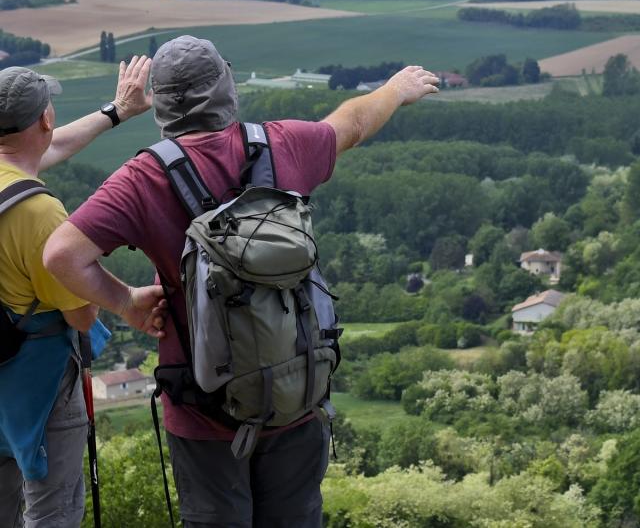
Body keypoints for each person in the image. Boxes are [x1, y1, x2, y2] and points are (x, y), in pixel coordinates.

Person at [44, 35, 440, 528]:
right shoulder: (284, 144)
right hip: (296, 388)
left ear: (163, 106)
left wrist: (125, 302)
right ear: (227, 89)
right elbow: (354, 123)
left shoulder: (143, 179)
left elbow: (61, 256)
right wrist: (396, 89)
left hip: (203, 405)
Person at [0, 56, 166, 528]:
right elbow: (81, 317)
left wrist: (118, 110)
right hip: (39, 381)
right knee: (53, 506)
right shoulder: (38, 213)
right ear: (45, 118)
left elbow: (45, 150)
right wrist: (126, 298)